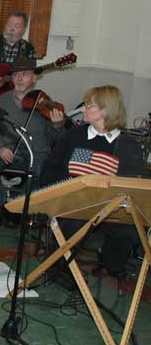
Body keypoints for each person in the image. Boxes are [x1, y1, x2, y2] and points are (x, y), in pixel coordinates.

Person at [40, 86, 145, 278]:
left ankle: (112, 263)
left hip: (109, 207)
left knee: (130, 230)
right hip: (73, 204)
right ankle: (62, 270)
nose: (83, 109)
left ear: (105, 110)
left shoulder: (126, 145)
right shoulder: (75, 135)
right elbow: (51, 168)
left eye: (89, 105)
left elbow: (129, 185)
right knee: (73, 225)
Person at [0, 57, 65, 225]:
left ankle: (20, 209)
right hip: (8, 151)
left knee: (41, 170)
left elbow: (55, 138)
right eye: (16, 75)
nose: (19, 78)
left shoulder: (45, 102)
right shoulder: (2, 100)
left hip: (36, 153)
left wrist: (58, 126)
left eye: (25, 74)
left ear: (34, 78)